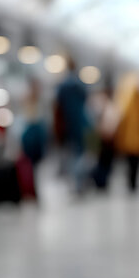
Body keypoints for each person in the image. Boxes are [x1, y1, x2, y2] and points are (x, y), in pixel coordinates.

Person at [53, 57, 93, 194]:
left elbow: (57, 106)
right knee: (82, 154)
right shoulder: (80, 85)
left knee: (71, 156)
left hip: (68, 125)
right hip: (81, 124)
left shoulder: (62, 86)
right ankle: (79, 183)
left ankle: (74, 183)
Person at [114, 73, 139, 192]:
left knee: (131, 162)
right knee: (134, 162)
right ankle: (132, 183)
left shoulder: (124, 98)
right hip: (136, 137)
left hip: (130, 137)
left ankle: (131, 183)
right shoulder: (138, 98)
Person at [91, 85, 120, 190]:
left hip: (107, 139)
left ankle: (102, 183)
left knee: (105, 162)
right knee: (97, 161)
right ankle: (99, 182)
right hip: (99, 138)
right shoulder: (98, 107)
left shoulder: (110, 108)